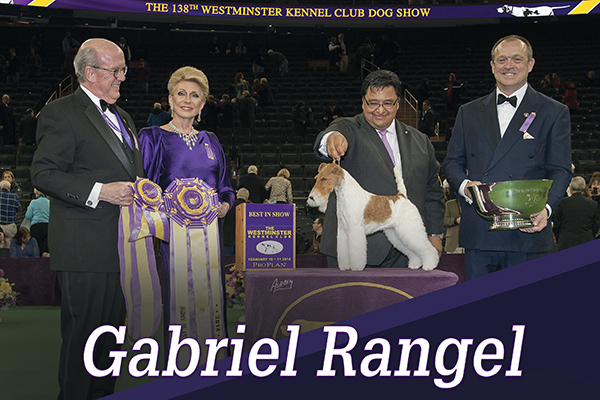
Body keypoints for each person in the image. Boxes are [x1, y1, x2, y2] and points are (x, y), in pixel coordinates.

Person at [31, 38, 143, 400]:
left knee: (111, 342)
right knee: (84, 340)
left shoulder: (124, 117)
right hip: (84, 250)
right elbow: (43, 173)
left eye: (123, 69)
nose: (123, 77)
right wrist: (101, 191)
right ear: (90, 73)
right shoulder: (61, 112)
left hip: (122, 250)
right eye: (116, 70)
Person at [443, 35, 572, 280]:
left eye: (517, 59)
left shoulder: (554, 112)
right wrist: (464, 186)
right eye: (502, 60)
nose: (508, 66)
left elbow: (560, 169)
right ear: (492, 66)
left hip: (528, 232)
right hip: (480, 233)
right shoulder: (468, 112)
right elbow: (451, 162)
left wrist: (546, 209)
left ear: (530, 64)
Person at [138, 66, 234, 354]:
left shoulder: (211, 140)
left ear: (202, 104)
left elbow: (226, 187)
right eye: (181, 93)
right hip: (175, 238)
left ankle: (216, 362)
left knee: (212, 297)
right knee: (180, 298)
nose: (187, 100)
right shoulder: (151, 137)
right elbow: (143, 188)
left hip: (211, 237)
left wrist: (224, 205)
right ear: (170, 99)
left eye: (195, 95)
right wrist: (165, 212)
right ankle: (180, 363)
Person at [314, 69, 444, 269]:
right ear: (363, 102)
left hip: (405, 252)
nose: (380, 110)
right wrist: (332, 138)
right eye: (373, 103)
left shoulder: (421, 141)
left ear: (398, 103)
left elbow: (433, 191)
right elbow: (334, 131)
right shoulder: (350, 128)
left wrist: (434, 234)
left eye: (388, 103)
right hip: (352, 254)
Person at [553, 176, 600, 251]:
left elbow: (557, 224)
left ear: (571, 188)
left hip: (566, 242)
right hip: (586, 241)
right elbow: (596, 226)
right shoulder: (593, 204)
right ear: (584, 188)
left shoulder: (562, 203)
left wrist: (560, 237)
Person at [223, 188, 249, 255]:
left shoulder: (229, 205)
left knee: (228, 259)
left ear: (237, 195)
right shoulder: (248, 208)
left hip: (228, 237)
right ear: (247, 197)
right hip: (242, 238)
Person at [25, 188, 50, 256]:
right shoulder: (49, 202)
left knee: (36, 247)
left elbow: (28, 216)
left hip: (36, 227)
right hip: (47, 226)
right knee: (44, 247)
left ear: (36, 193)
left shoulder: (33, 202)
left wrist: (28, 209)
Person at [0, 179, 21, 249]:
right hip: (10, 225)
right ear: (9, 188)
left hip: (0, 226)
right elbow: (19, 208)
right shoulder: (14, 196)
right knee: (9, 247)